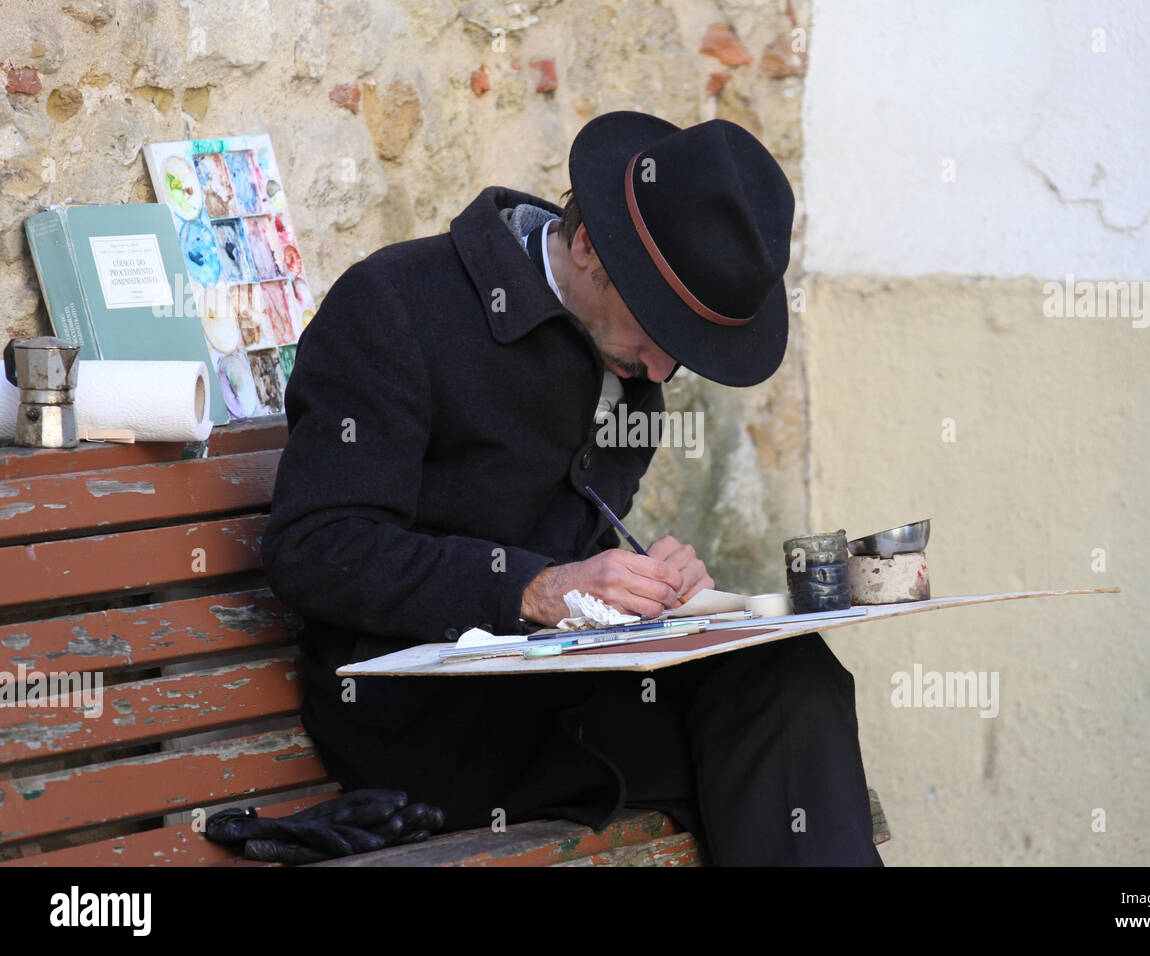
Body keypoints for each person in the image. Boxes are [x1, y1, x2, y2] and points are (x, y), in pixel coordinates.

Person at [263, 111, 884, 865]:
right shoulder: (395, 305)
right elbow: (316, 547)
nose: (661, 373)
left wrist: (649, 588)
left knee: (788, 673)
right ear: (588, 245)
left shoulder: (628, 359)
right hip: (428, 721)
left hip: (568, 690)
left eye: (686, 353)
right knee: (781, 773)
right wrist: (536, 588)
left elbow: (574, 541)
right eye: (660, 333)